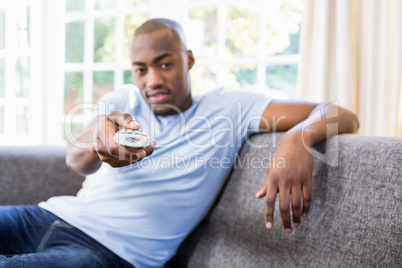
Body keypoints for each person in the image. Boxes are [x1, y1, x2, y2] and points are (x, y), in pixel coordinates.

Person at [0, 18, 359, 268]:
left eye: (165, 64)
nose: (152, 79)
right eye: (141, 69)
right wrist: (98, 141)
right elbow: (75, 159)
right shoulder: (125, 100)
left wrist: (298, 137)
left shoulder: (230, 108)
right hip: (46, 216)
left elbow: (340, 113)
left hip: (109, 254)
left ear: (188, 60)